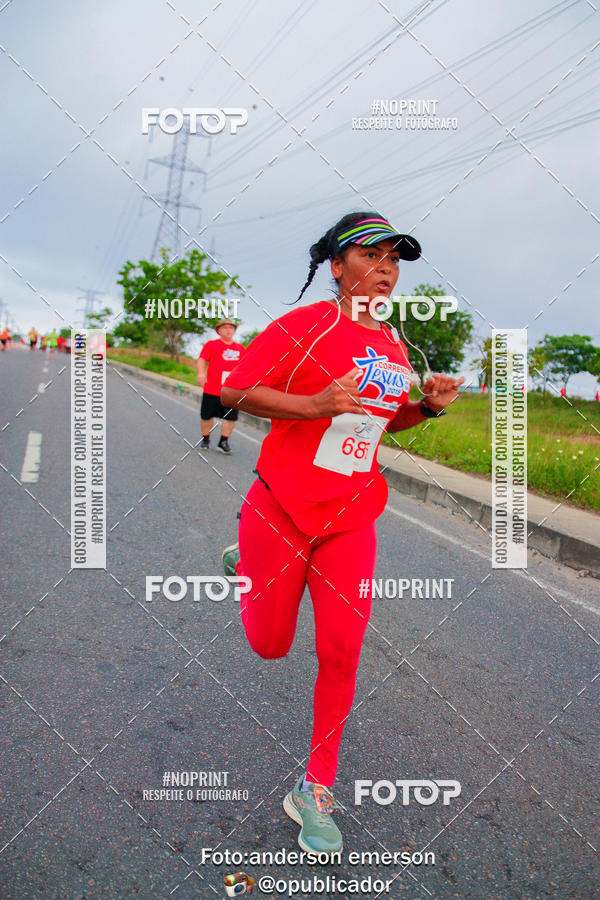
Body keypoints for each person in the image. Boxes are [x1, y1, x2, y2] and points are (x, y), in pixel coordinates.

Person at [220, 211, 464, 855]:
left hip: (351, 516)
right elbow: (233, 390)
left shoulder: (394, 346)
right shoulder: (301, 327)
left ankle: (314, 789)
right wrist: (311, 405)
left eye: (395, 260)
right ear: (336, 266)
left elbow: (377, 426)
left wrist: (425, 409)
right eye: (370, 256)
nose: (385, 269)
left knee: (342, 650)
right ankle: (245, 554)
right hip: (281, 506)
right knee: (271, 646)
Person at [197, 318, 246, 454]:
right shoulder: (211, 345)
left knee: (230, 417)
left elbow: (245, 367)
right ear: (219, 331)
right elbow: (202, 359)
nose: (228, 330)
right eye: (225, 327)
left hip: (232, 391)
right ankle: (205, 439)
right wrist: (201, 374)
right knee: (206, 416)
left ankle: (223, 441)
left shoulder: (240, 348)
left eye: (231, 327)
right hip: (212, 389)